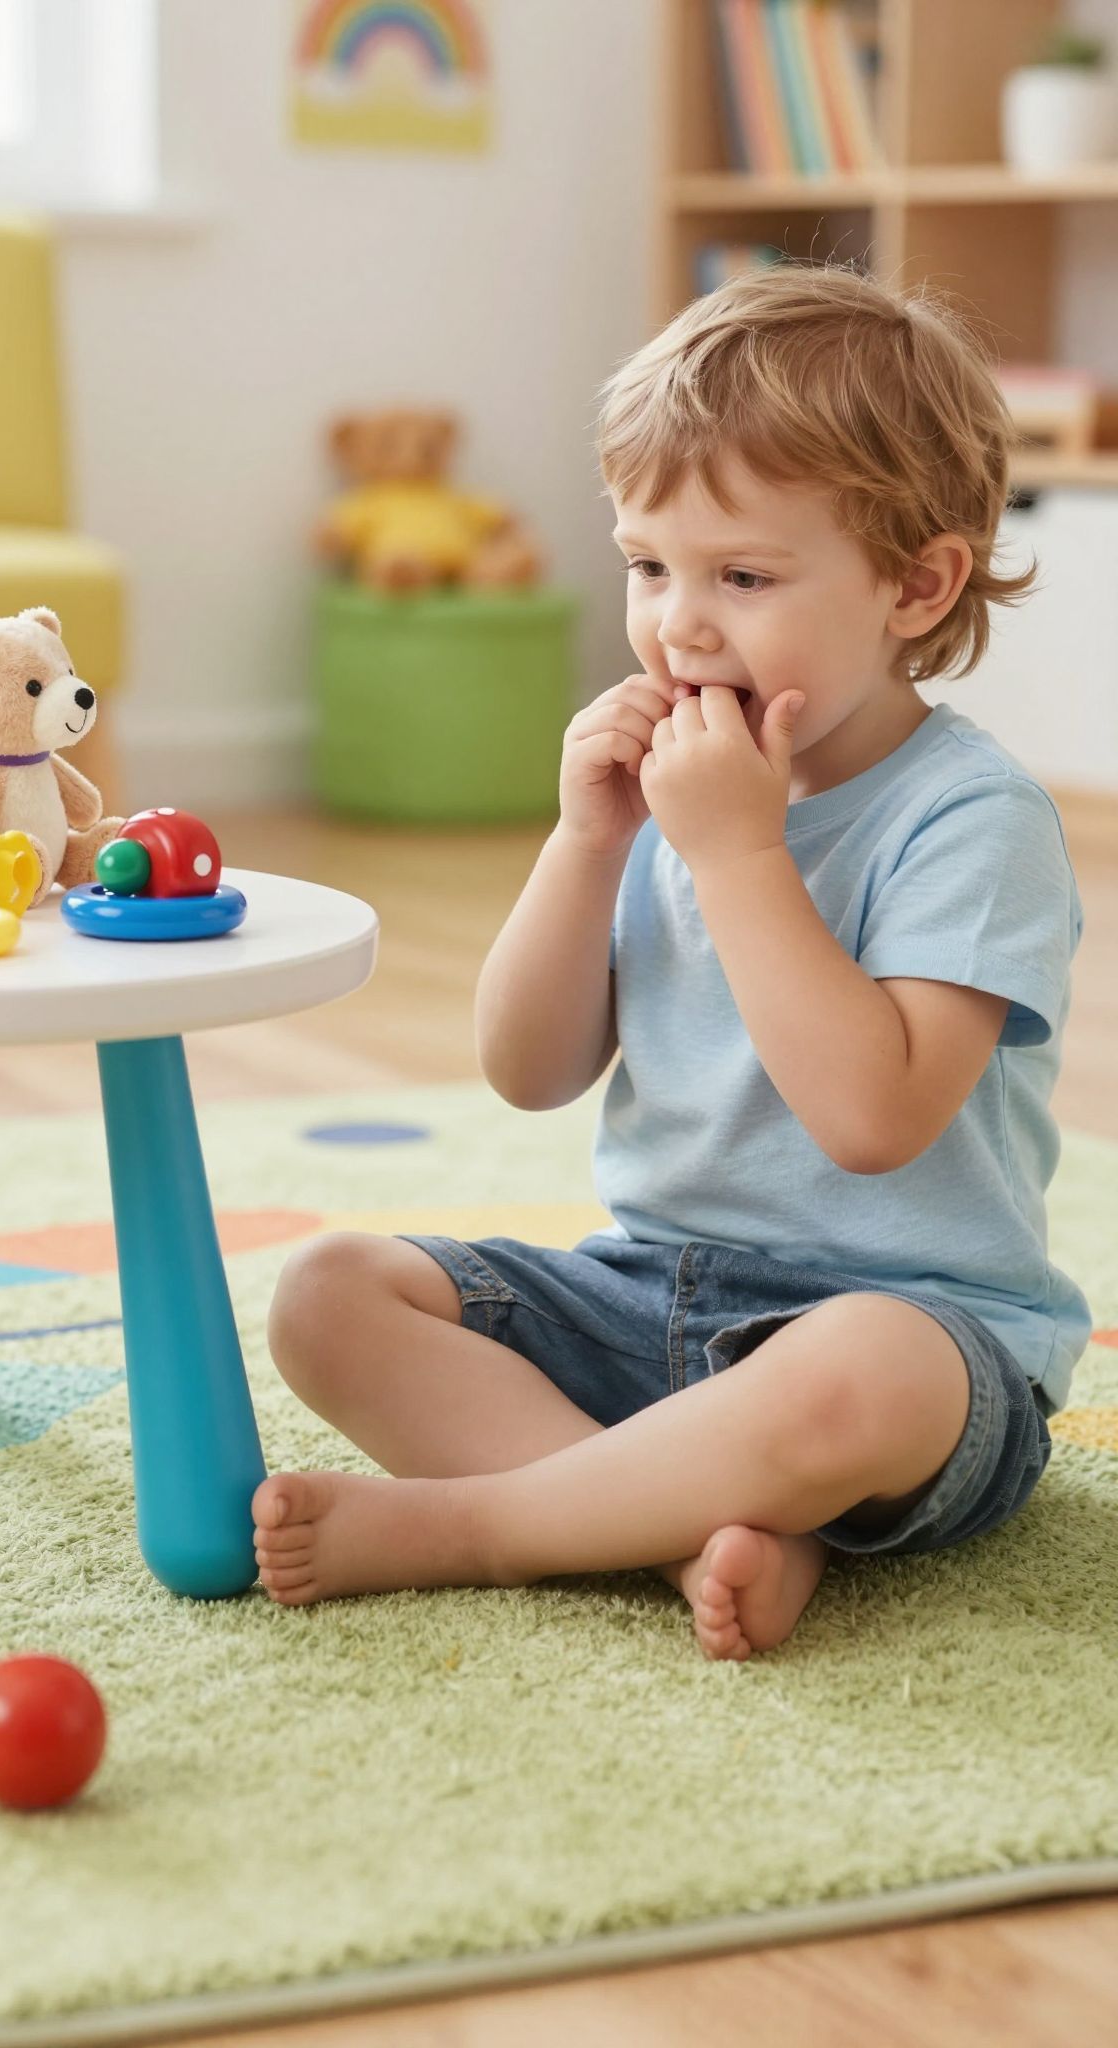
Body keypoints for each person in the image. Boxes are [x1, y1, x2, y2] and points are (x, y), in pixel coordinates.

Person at [252, 261, 1091, 1661]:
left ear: (915, 582)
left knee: (856, 1372)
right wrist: (586, 844)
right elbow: (528, 1072)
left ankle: (492, 1526)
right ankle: (698, 1525)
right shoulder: (684, 779)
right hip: (652, 1293)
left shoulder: (971, 818)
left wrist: (741, 859)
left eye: (743, 576)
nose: (679, 623)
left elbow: (873, 1122)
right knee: (326, 1293)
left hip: (917, 1343)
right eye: (650, 565)